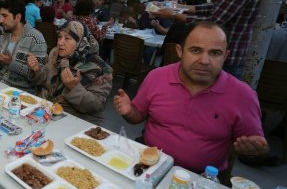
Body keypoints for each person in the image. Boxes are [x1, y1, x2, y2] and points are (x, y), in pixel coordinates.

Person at [113, 22, 268, 173]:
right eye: (195, 50)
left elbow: (258, 148)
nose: (204, 61)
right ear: (180, 51)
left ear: (225, 55)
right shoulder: (156, 77)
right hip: (149, 163)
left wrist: (253, 151)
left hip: (202, 178)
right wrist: (129, 111)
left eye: (215, 53)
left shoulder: (243, 95)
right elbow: (137, 116)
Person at [27, 21, 113, 124]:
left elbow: (96, 105)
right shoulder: (56, 54)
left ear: (80, 42)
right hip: (50, 111)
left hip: (80, 120)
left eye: (67, 38)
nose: (60, 42)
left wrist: (74, 88)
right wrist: (37, 70)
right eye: (59, 37)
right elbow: (46, 79)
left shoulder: (100, 68)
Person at [0, 0, 47, 92]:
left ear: (18, 17)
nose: (0, 20)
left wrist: (10, 63)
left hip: (22, 92)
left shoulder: (35, 38)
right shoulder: (5, 34)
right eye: (1, 16)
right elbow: (0, 67)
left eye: (5, 16)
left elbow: (40, 78)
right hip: (0, 85)